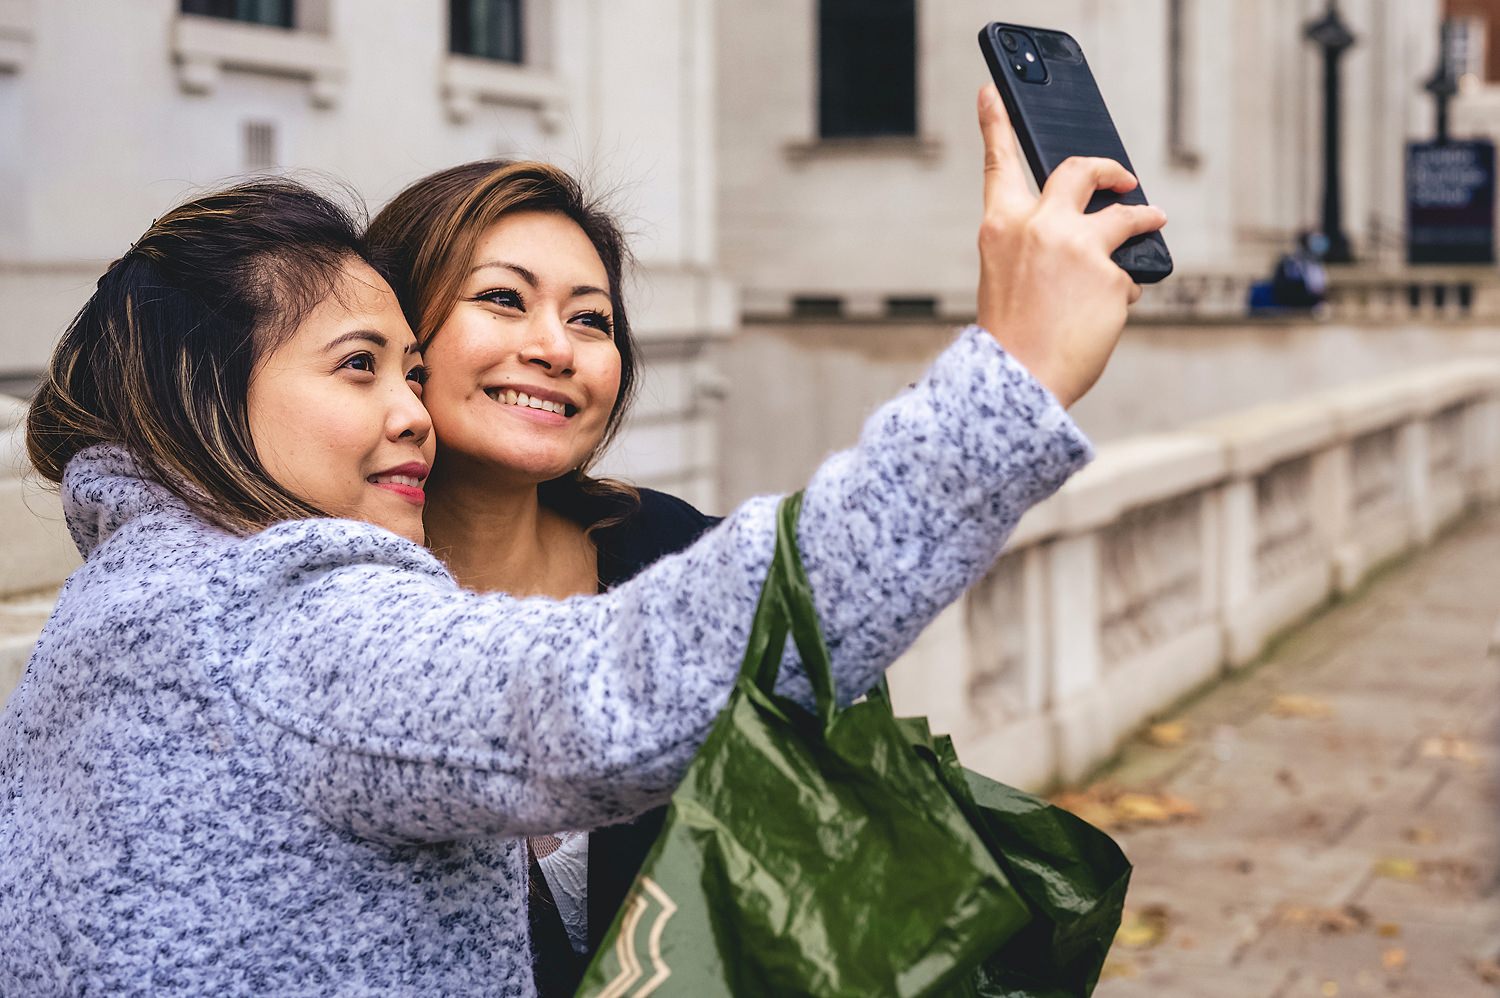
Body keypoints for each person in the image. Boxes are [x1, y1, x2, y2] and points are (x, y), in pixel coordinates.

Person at [0, 86, 1164, 994]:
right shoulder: (285, 618)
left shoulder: (121, 605)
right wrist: (1014, 374)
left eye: (592, 316)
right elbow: (625, 687)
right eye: (363, 366)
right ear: (201, 391)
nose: (406, 406)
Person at [365, 159, 720, 994]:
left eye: (590, 319)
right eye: (503, 299)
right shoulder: (329, 608)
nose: (556, 349)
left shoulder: (668, 552)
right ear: (395, 334)